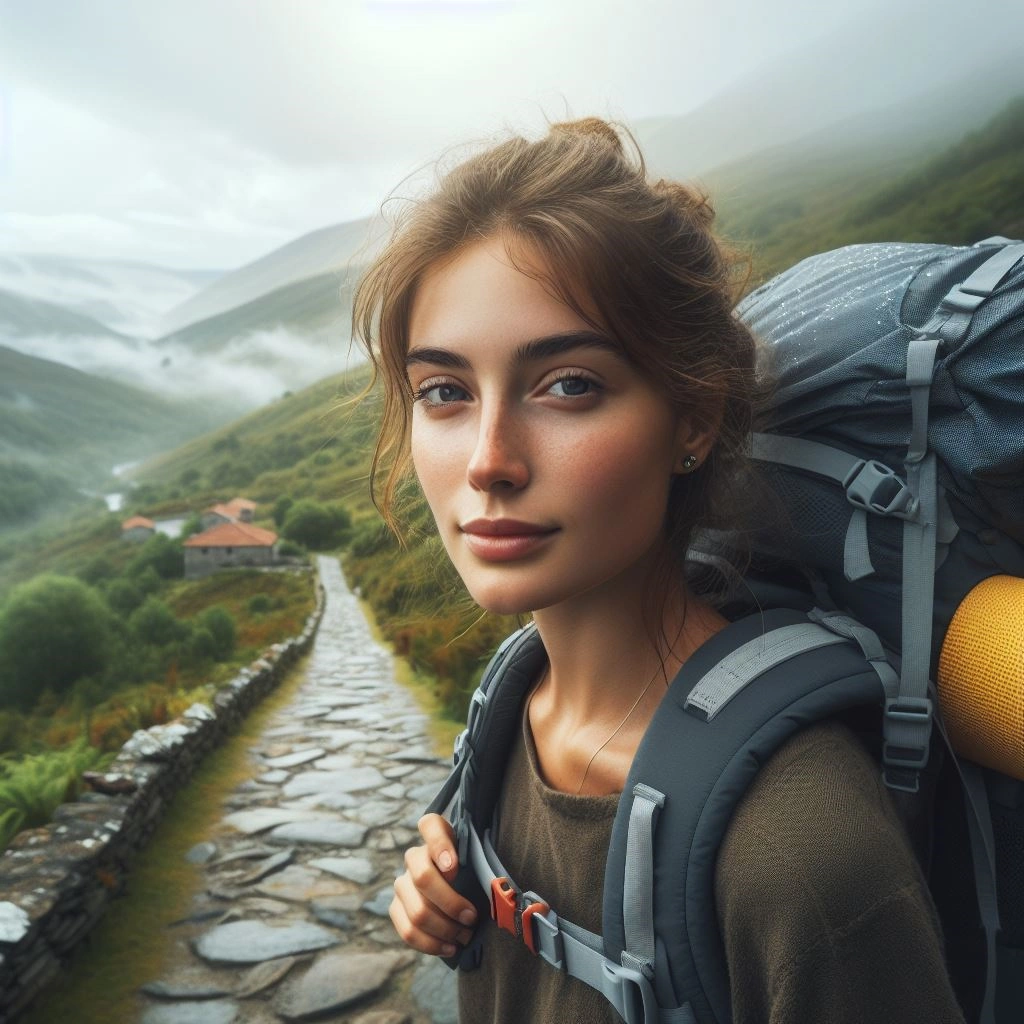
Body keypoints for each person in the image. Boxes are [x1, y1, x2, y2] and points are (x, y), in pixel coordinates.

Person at [353, 117, 966, 1023]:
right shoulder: (508, 715)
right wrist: (458, 894)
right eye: (444, 392)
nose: (488, 460)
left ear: (693, 418)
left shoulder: (803, 855)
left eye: (568, 385)